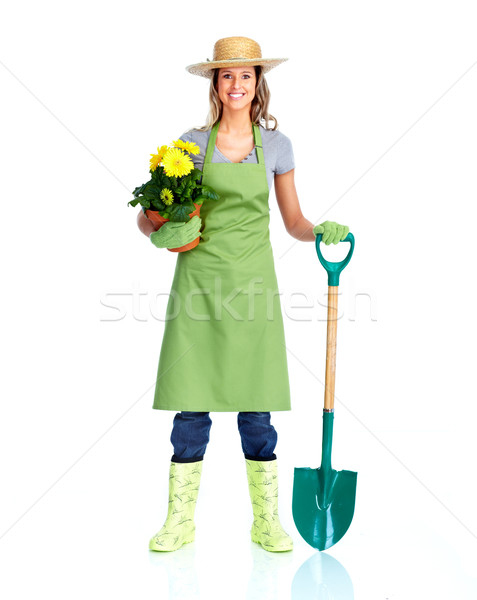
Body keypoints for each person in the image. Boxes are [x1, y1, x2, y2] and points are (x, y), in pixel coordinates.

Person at [136, 36, 349, 553]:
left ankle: (267, 521)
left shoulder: (277, 147)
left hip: (253, 286)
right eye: (227, 75)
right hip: (198, 285)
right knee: (191, 406)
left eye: (246, 75)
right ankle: (179, 522)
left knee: (256, 408)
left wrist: (321, 231)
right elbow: (149, 215)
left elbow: (293, 221)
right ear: (216, 83)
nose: (236, 84)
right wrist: (160, 230)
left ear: (259, 84)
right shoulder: (187, 145)